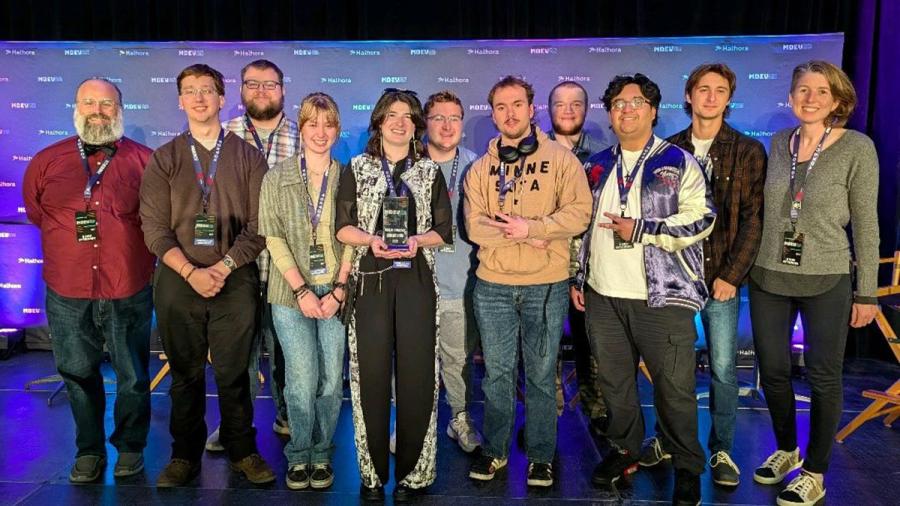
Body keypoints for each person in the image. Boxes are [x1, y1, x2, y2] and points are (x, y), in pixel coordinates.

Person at [572, 73, 715, 505]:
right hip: (603, 296)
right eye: (617, 103)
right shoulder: (595, 165)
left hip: (662, 296)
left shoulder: (679, 161)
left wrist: (643, 229)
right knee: (615, 385)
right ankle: (625, 450)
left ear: (653, 110)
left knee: (674, 389)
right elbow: (581, 229)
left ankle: (687, 465)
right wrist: (578, 278)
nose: (626, 110)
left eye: (635, 102)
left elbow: (702, 219)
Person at [748, 60, 879, 506]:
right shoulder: (778, 143)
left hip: (827, 277)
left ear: (838, 101)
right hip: (769, 274)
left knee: (824, 379)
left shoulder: (857, 148)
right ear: (790, 97)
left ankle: (816, 471)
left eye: (821, 91)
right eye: (802, 89)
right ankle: (787, 450)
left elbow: (866, 223)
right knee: (775, 373)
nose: (810, 98)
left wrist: (868, 292)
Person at [139, 63, 275, 487]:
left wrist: (221, 267)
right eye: (190, 91)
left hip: (234, 279)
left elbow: (260, 226)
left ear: (222, 99)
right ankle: (184, 456)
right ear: (180, 100)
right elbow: (154, 229)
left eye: (207, 90)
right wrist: (190, 271)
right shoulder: (164, 158)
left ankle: (243, 450)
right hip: (178, 282)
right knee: (186, 375)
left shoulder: (248, 156)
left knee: (235, 372)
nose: (199, 98)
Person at [640, 63, 767, 488]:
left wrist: (731, 276)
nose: (711, 97)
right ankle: (664, 439)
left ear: (729, 98)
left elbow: (752, 221)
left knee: (724, 370)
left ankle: (722, 449)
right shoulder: (666, 150)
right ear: (689, 96)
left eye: (720, 90)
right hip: (674, 281)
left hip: (721, 282)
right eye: (703, 89)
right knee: (667, 367)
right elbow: (656, 218)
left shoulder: (747, 151)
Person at [22, 77, 155, 483]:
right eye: (90, 102)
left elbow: (155, 220)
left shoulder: (145, 161)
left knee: (132, 375)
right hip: (68, 289)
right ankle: (89, 450)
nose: (98, 110)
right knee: (78, 373)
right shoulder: (47, 161)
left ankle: (131, 447)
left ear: (121, 108)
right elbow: (35, 212)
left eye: (107, 103)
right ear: (76, 108)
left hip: (127, 286)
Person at [465, 75, 592, 488]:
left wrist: (532, 228)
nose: (509, 113)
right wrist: (519, 232)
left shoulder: (560, 160)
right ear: (493, 113)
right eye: (501, 107)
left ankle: (540, 455)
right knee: (498, 374)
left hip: (546, 285)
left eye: (517, 104)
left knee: (540, 374)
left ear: (531, 108)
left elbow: (579, 214)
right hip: (493, 286)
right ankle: (495, 450)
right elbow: (474, 226)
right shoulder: (480, 169)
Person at [335, 89, 452, 503]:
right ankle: (370, 475)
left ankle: (414, 475)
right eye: (392, 115)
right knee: (368, 378)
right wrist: (372, 239)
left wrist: (419, 240)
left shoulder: (428, 171)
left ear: (416, 126)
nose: (400, 122)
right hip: (370, 283)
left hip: (418, 283)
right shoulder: (358, 167)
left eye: (408, 116)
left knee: (419, 378)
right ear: (379, 122)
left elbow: (444, 232)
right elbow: (342, 228)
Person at [258, 92, 350, 490]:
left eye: (328, 124)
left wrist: (341, 288)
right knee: (300, 378)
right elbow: (273, 238)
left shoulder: (347, 177)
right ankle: (299, 452)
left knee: (331, 379)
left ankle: (321, 450)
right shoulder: (276, 176)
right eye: (312, 123)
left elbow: (354, 239)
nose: (320, 132)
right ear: (301, 127)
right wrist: (301, 291)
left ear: (337, 129)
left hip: (337, 290)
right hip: (289, 292)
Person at [207, 59, 299, 451]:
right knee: (236, 356)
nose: (261, 91)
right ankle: (234, 427)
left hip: (287, 268)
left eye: (270, 84)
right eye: (252, 84)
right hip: (236, 268)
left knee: (286, 354)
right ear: (241, 90)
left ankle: (287, 415)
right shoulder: (221, 136)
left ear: (283, 90)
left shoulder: (304, 136)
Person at [423, 90, 482, 453]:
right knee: (415, 363)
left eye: (454, 118)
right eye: (438, 118)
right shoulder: (407, 166)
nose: (447, 126)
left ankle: (459, 419)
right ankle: (418, 424)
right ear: (425, 123)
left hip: (462, 284)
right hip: (415, 286)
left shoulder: (478, 167)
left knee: (459, 361)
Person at [548, 80, 609, 428]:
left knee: (594, 347)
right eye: (560, 104)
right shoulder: (533, 152)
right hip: (545, 267)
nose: (568, 110)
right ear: (548, 109)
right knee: (545, 350)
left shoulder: (605, 156)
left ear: (586, 110)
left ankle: (597, 413)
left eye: (576, 104)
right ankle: (548, 415)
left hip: (591, 268)